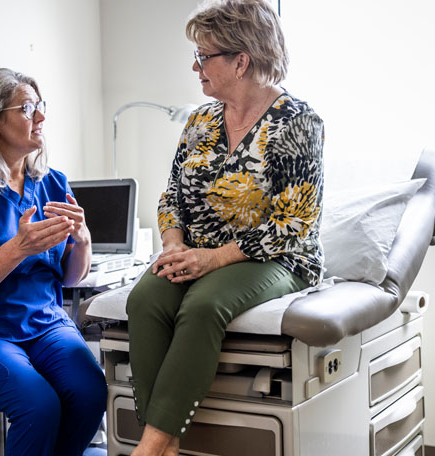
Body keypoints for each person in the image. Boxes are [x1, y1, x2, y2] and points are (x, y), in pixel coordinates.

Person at [125, 1, 325, 455]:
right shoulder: (200, 121)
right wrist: (174, 245)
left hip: (277, 256)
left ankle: (151, 446)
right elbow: (172, 195)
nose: (195, 67)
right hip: (197, 251)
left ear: (241, 60)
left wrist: (212, 258)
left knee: (203, 304)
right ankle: (167, 442)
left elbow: (294, 223)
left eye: (204, 56)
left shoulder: (298, 122)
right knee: (145, 298)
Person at [0, 68, 107, 456]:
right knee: (39, 406)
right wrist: (17, 248)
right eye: (28, 108)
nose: (40, 117)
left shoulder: (53, 182)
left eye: (40, 107)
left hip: (45, 325)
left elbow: (72, 278)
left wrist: (82, 239)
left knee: (91, 391)